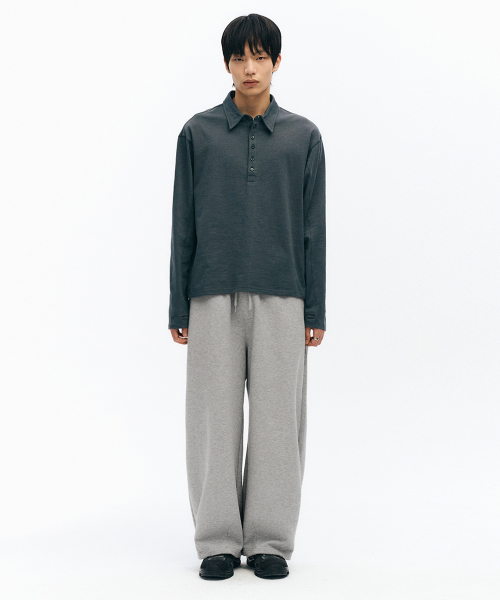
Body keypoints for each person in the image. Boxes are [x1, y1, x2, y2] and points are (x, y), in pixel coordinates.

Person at [168, 13, 327, 580]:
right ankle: (216, 539)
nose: (250, 67)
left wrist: (315, 308)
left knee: (279, 421)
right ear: (227, 63)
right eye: (240, 57)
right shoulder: (198, 133)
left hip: (284, 294)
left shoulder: (304, 137)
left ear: (277, 61)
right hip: (210, 293)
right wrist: (177, 302)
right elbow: (182, 223)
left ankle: (269, 541)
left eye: (260, 56)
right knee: (212, 419)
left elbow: (314, 228)